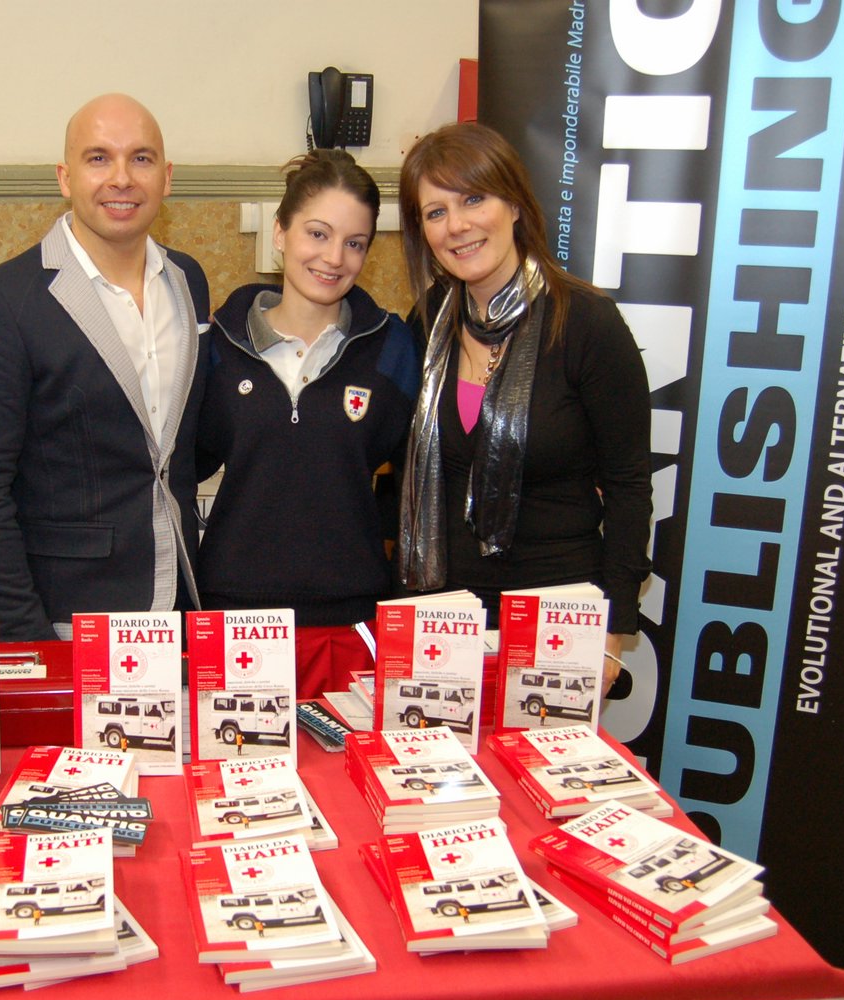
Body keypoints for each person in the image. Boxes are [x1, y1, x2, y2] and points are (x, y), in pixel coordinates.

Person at [396, 122, 651, 693]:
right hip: (442, 612)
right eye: (434, 213)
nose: (456, 225)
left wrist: (611, 636)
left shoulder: (585, 323)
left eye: (473, 199)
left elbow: (630, 486)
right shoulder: (430, 320)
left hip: (556, 611)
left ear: (513, 202)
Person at [0, 94, 209, 641]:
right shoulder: (3, 301)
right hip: (66, 618)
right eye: (98, 158)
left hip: (178, 601)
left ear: (167, 177)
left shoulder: (187, 280)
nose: (121, 178)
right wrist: (30, 638)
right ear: (65, 178)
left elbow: (175, 449)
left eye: (141, 158)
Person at [196, 149, 419, 698]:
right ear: (280, 232)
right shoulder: (216, 346)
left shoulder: (392, 348)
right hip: (234, 614)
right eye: (317, 234)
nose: (334, 257)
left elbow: (410, 473)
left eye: (355, 243)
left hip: (351, 620)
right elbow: (186, 464)